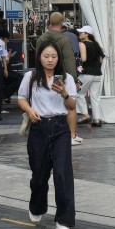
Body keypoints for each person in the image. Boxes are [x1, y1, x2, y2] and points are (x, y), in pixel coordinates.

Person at [18, 41, 77, 229]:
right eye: (46, 56)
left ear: (58, 58)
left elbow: (71, 105)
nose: (50, 60)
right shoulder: (31, 77)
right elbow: (21, 98)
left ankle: (63, 221)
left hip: (60, 128)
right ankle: (37, 206)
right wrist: (30, 110)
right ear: (40, 57)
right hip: (39, 128)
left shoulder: (66, 78)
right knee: (40, 175)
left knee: (63, 175)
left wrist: (64, 93)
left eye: (53, 56)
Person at [35, 12, 81, 144]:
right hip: (62, 77)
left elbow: (38, 59)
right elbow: (69, 61)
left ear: (49, 22)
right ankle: (71, 134)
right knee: (69, 105)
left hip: (44, 76)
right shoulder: (64, 40)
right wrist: (74, 80)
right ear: (62, 23)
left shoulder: (41, 39)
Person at [76, 25, 105, 128]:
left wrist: (77, 59)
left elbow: (83, 59)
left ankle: (85, 115)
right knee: (95, 97)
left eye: (81, 32)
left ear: (87, 34)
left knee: (79, 93)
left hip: (85, 73)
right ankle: (97, 119)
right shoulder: (96, 45)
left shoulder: (82, 44)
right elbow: (101, 60)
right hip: (97, 74)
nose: (79, 34)